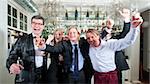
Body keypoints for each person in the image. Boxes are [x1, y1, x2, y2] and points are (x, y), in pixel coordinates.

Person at [85, 12, 143, 84]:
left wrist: (134, 28)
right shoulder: (88, 47)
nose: (90, 39)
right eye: (88, 38)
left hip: (111, 76)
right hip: (98, 76)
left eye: (92, 37)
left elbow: (127, 41)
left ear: (98, 36)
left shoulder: (110, 44)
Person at [6, 15, 47, 83]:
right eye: (34, 23)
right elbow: (12, 56)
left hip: (42, 77)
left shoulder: (47, 40)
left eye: (39, 24)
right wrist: (11, 64)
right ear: (31, 24)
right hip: (26, 76)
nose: (36, 26)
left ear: (43, 26)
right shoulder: (22, 39)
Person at [101, 9, 131, 84]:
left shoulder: (117, 37)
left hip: (116, 62)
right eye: (105, 28)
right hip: (105, 64)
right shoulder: (100, 38)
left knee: (118, 80)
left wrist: (126, 19)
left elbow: (126, 31)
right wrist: (108, 28)